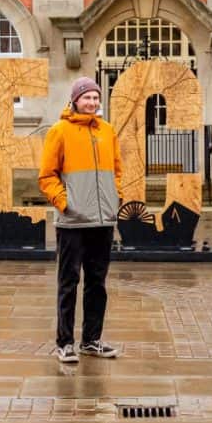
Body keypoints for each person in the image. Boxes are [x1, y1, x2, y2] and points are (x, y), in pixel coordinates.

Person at [38, 76, 123, 363]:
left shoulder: (108, 131)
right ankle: (65, 342)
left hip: (102, 222)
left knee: (97, 283)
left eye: (96, 98)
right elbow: (47, 176)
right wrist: (65, 203)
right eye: (87, 97)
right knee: (68, 282)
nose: (92, 102)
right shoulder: (59, 131)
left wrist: (116, 197)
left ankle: (91, 340)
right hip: (73, 222)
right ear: (75, 100)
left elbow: (117, 170)